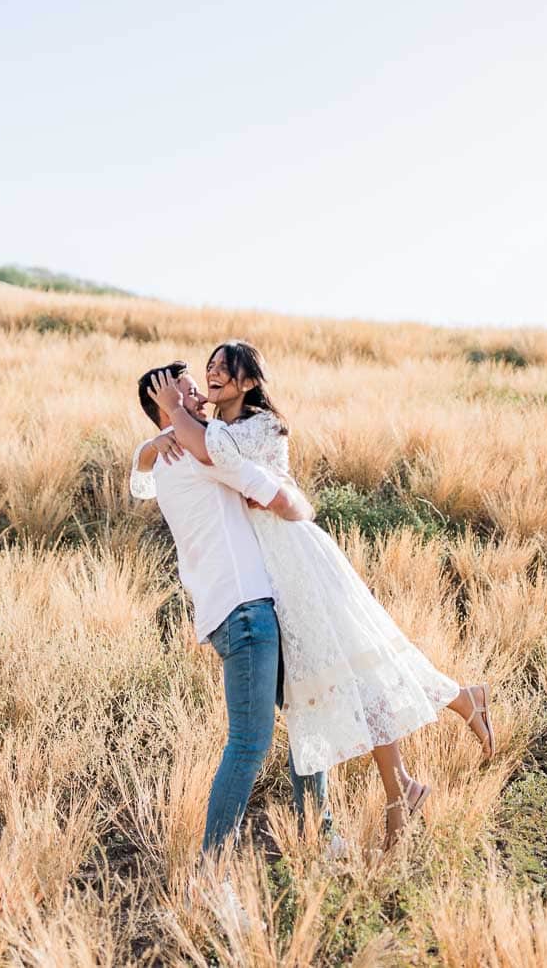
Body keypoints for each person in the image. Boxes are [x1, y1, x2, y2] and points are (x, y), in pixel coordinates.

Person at [144, 341, 496, 850]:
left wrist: (175, 415)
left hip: (296, 558)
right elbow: (183, 454)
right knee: (334, 676)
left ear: (247, 383)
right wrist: (158, 439)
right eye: (210, 367)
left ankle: (456, 707)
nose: (213, 374)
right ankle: (401, 785)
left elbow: (236, 467)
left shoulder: (257, 427)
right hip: (270, 575)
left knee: (355, 657)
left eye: (225, 369)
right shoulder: (207, 430)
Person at [129, 361, 333, 860]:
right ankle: (211, 875)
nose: (200, 398)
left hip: (241, 609)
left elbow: (140, 478)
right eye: (188, 393)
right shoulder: (199, 456)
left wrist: (151, 445)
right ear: (164, 402)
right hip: (245, 613)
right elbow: (282, 500)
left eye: (199, 390)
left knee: (307, 713)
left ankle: (317, 837)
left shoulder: (170, 459)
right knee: (247, 746)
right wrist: (302, 510)